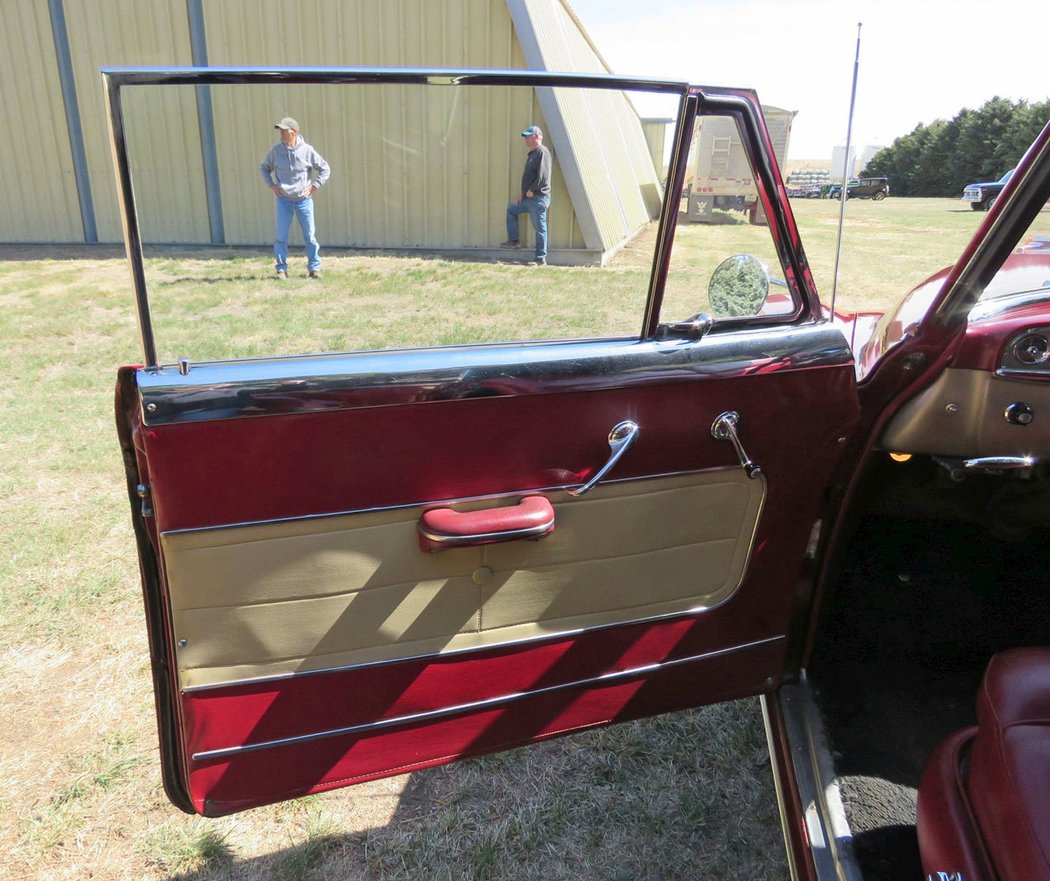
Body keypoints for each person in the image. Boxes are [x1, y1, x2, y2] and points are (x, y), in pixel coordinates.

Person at [259, 117, 330, 279]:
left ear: (294, 132)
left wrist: (314, 186)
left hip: (303, 201)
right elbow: (263, 168)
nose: (281, 134)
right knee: (281, 237)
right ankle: (281, 270)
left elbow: (325, 168)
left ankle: (314, 268)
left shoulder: (307, 151)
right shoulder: (275, 151)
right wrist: (271, 185)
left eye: (284, 131)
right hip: (283, 201)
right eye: (280, 131)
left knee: (310, 236)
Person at [502, 125, 552, 265]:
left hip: (538, 198)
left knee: (540, 228)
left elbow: (543, 176)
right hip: (528, 198)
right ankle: (514, 241)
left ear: (536, 137)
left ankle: (540, 258)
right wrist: (523, 195)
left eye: (528, 136)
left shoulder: (543, 152)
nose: (526, 139)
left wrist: (532, 190)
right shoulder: (532, 154)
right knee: (511, 210)